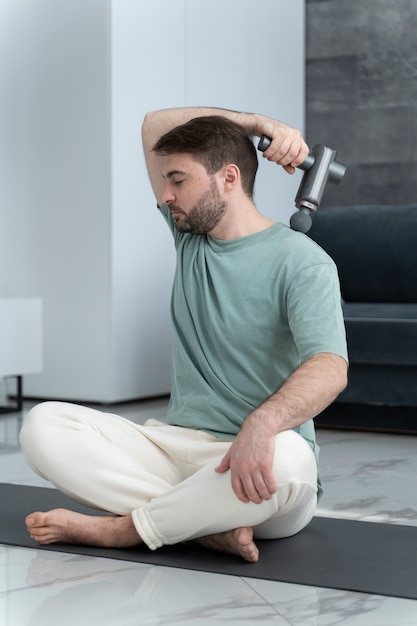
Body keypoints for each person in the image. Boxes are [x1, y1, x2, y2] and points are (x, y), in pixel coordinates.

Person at [19, 106, 348, 563]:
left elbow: (330, 367)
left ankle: (128, 529)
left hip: (255, 460)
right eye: (166, 182)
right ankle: (199, 527)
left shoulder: (303, 261)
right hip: (178, 450)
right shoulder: (190, 237)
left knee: (292, 462)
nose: (166, 194)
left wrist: (263, 422)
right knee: (43, 425)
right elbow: (155, 124)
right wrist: (259, 125)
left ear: (228, 178)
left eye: (179, 180)